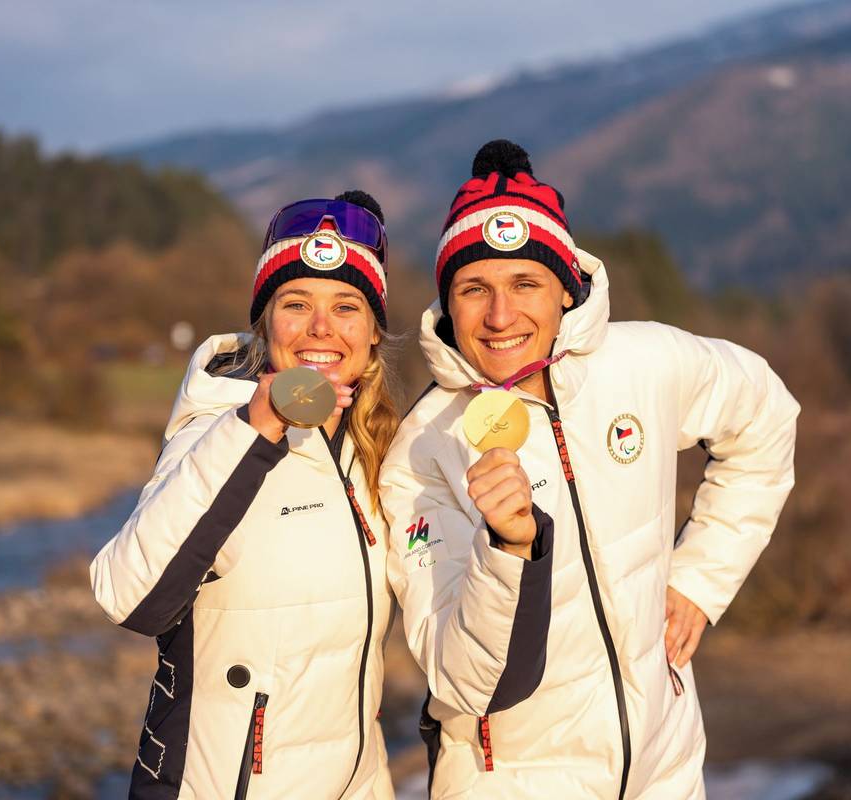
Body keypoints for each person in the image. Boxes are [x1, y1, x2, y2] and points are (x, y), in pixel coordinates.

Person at [380, 141, 800, 799]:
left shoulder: (645, 363)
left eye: (525, 284)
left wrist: (701, 578)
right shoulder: (423, 454)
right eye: (474, 289)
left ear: (565, 288)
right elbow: (467, 681)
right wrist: (510, 550)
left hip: (664, 770)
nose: (500, 316)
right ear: (448, 303)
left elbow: (765, 414)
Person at [90, 191, 400, 799]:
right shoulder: (215, 432)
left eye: (345, 306)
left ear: (371, 334)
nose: (321, 327)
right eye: (296, 304)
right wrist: (256, 430)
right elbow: (129, 598)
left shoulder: (372, 447)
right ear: (266, 324)